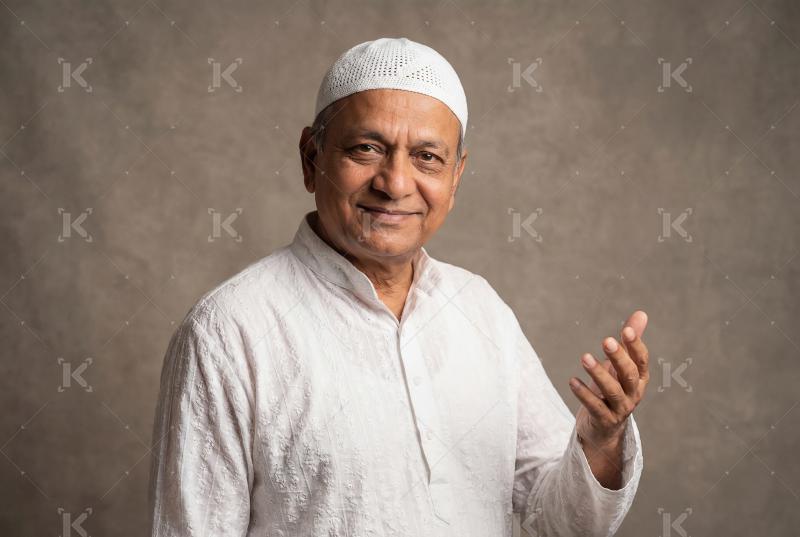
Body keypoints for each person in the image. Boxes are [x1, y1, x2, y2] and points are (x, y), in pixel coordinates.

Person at [147, 36, 650, 537]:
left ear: (456, 178)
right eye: (367, 149)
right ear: (310, 157)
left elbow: (557, 524)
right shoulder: (228, 332)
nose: (395, 183)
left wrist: (602, 440)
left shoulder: (479, 310)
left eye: (427, 158)